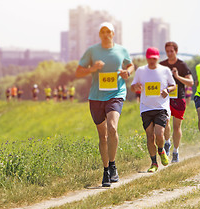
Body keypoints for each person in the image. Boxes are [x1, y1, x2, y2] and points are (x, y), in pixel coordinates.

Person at [75, 22, 134, 187]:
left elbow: (130, 64)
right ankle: (106, 169)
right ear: (99, 34)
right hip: (96, 97)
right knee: (103, 136)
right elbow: (78, 71)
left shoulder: (121, 50)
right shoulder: (92, 51)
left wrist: (127, 72)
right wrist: (92, 68)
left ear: (113, 34)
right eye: (103, 32)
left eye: (109, 32)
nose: (106, 34)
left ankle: (113, 165)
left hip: (116, 94)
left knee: (113, 127)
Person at [130, 47, 176, 172]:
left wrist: (167, 90)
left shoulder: (164, 71)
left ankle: (161, 150)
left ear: (158, 59)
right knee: (150, 137)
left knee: (159, 134)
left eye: (154, 59)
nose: (152, 61)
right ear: (147, 58)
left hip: (161, 107)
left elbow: (173, 85)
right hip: (146, 107)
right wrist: (136, 86)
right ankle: (154, 163)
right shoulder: (141, 71)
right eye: (150, 58)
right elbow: (132, 87)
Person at [160, 41, 193, 162]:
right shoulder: (162, 65)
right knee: (166, 122)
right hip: (165, 99)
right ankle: (167, 142)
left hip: (179, 98)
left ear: (176, 51)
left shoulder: (182, 65)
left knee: (177, 126)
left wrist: (178, 77)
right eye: (167, 51)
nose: (169, 53)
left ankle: (176, 151)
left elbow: (191, 82)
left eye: (171, 51)